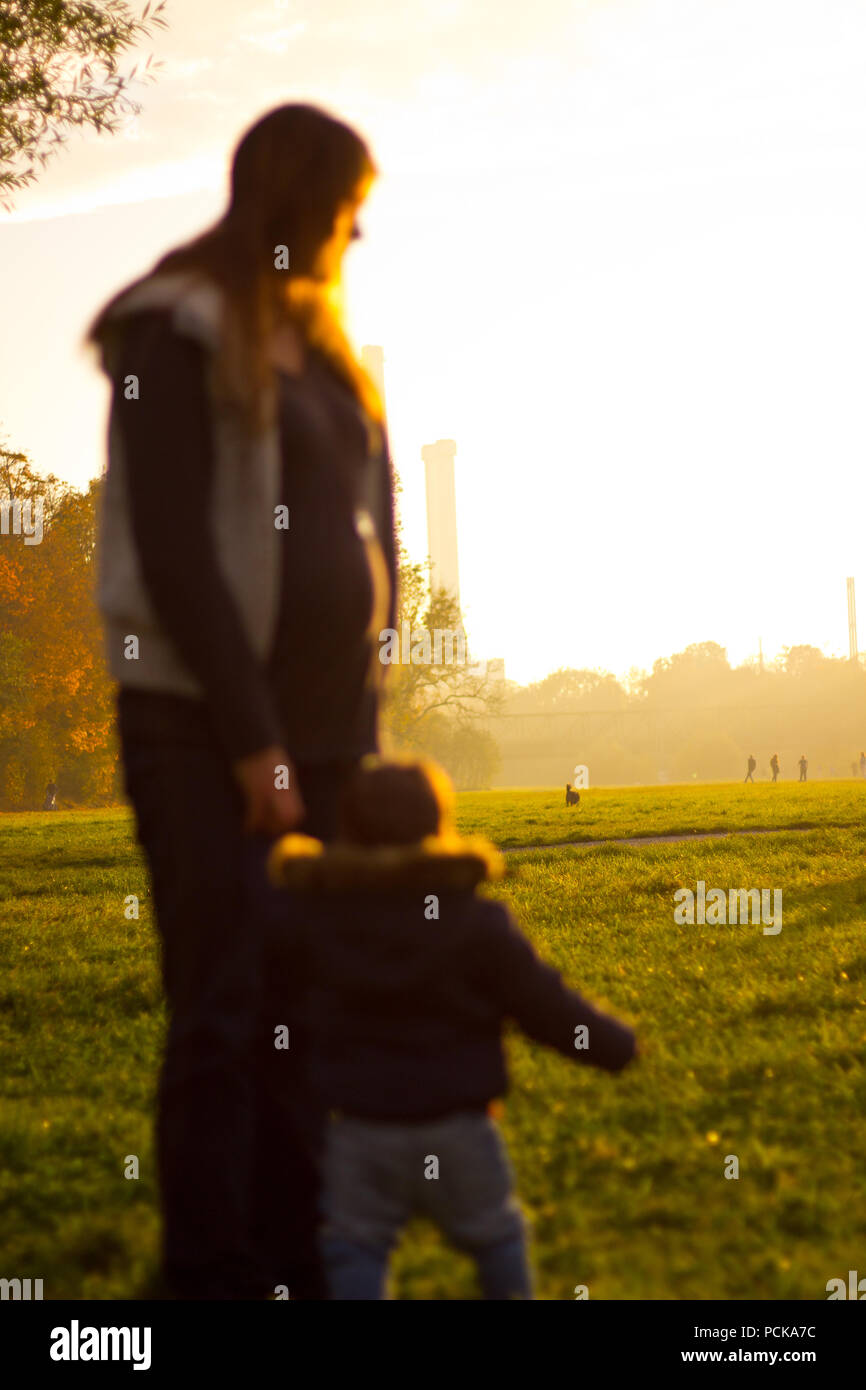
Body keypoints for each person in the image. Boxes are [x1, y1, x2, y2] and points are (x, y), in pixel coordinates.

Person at [87, 105, 397, 1300]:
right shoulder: (173, 328)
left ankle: (295, 1264)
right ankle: (206, 1277)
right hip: (201, 728)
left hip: (325, 741)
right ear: (295, 200)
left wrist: (351, 745)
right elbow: (172, 549)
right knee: (223, 1010)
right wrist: (253, 741)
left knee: (303, 1012)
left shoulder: (323, 351)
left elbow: (367, 534)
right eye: (344, 203)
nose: (358, 230)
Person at [268, 757, 637, 1300]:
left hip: (361, 1128)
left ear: (346, 829)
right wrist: (613, 1045)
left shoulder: (317, 922)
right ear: (440, 826)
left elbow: (278, 1009)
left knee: (355, 1247)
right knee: (497, 1237)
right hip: (459, 1127)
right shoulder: (474, 921)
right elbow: (541, 1003)